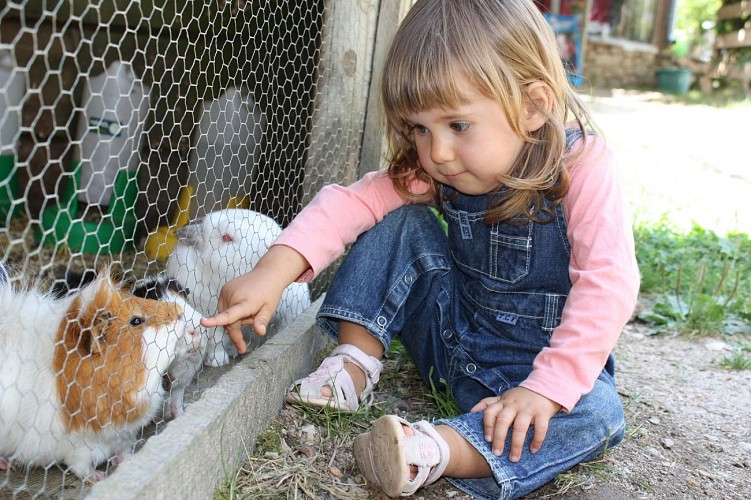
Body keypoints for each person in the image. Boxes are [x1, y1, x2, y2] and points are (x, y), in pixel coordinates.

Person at [201, 0, 640, 498]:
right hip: (451, 344)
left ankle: (431, 451)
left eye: (458, 125)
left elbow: (609, 283)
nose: (438, 153)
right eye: (420, 129)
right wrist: (273, 271)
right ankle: (354, 366)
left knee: (599, 413)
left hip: (535, 379)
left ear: (532, 107)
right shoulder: (439, 171)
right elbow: (350, 203)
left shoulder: (580, 167)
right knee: (400, 220)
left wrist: (546, 389)